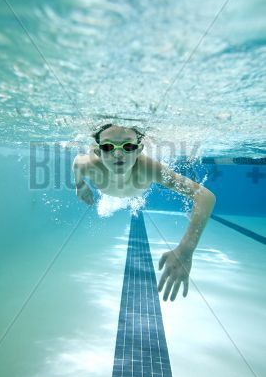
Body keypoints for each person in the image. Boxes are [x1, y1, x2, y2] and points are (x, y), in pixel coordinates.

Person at [73, 123, 216, 301]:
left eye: (128, 146)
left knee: (134, 199)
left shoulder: (149, 169)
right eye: (108, 147)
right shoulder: (88, 164)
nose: (118, 154)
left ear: (139, 150)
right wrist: (80, 186)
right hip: (112, 190)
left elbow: (205, 197)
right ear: (98, 152)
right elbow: (76, 164)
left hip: (136, 192)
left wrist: (186, 250)